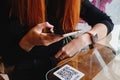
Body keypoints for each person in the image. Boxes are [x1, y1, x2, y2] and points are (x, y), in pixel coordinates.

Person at [0, 0, 114, 80]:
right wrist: (28, 41)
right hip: (25, 67)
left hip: (62, 63)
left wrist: (83, 39)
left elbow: (105, 22)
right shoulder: (10, 5)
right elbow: (9, 59)